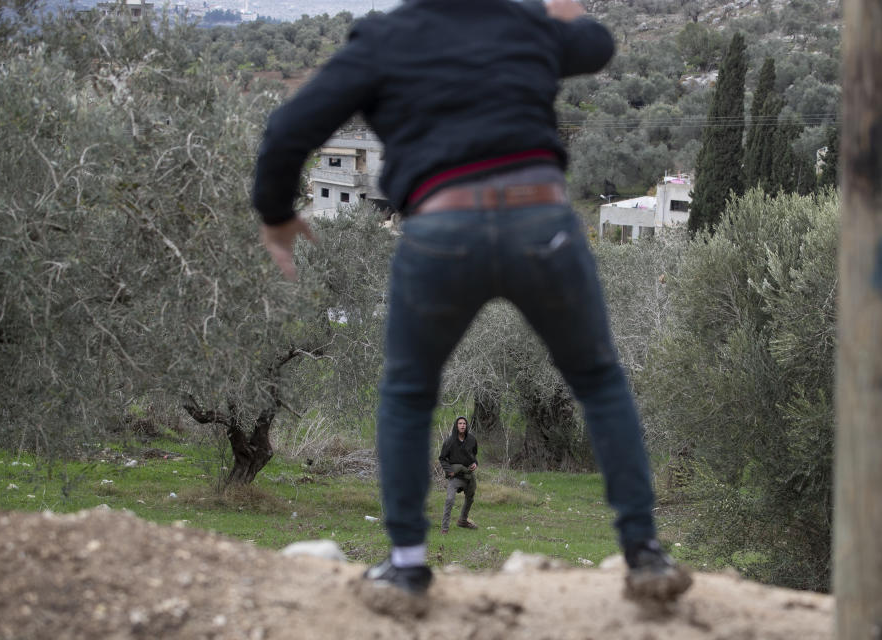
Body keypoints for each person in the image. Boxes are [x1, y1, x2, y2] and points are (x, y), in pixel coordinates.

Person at [252, 0, 691, 606]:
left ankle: (407, 566)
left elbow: (287, 130)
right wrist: (559, 12)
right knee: (598, 381)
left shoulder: (385, 38)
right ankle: (644, 554)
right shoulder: (522, 24)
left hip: (440, 233)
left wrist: (276, 215)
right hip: (544, 224)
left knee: (408, 394)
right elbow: (597, 46)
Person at [438, 416, 478, 534]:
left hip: (469, 476)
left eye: (464, 423)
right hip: (455, 476)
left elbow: (474, 454)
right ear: (456, 426)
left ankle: (463, 521)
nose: (462, 425)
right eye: (460, 423)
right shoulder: (449, 441)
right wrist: (449, 470)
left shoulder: (472, 440)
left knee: (470, 498)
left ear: (466, 426)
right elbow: (442, 458)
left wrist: (475, 463)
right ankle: (444, 528)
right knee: (450, 499)